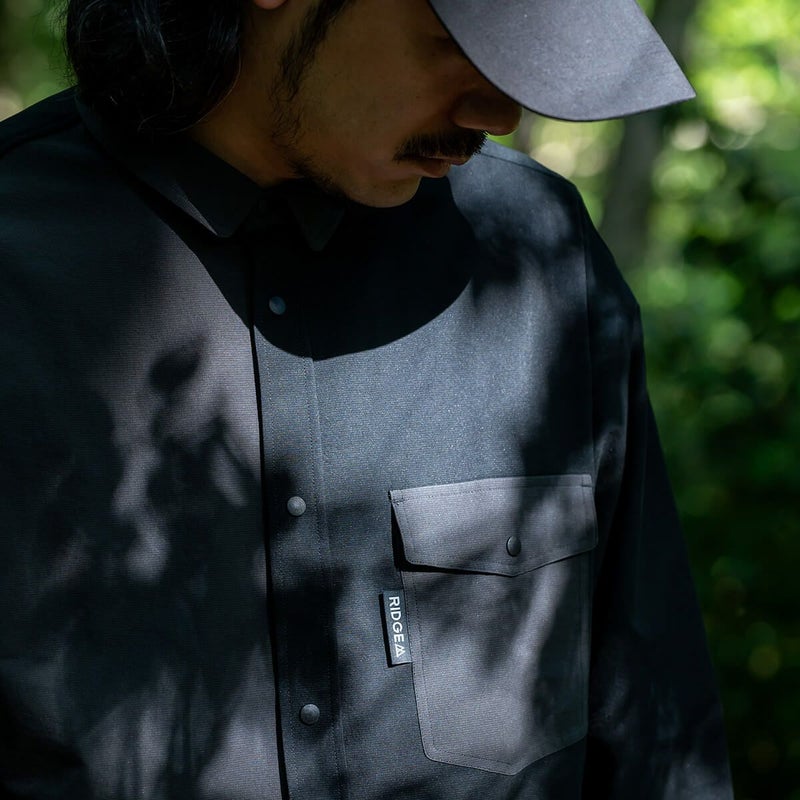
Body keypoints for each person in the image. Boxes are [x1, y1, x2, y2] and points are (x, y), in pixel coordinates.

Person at [0, 0, 733, 797]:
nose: (499, 116)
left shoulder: (540, 259)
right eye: (456, 45)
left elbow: (659, 743)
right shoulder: (18, 268)